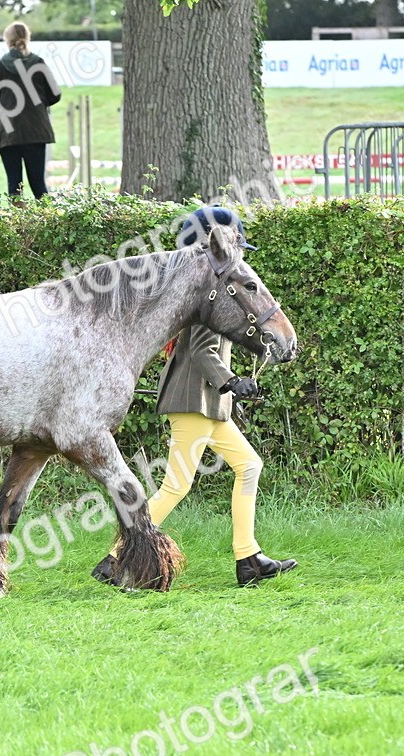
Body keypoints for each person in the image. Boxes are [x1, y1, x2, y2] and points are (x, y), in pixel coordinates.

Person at [146, 206, 298, 587]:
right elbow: (200, 349)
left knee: (249, 466)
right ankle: (116, 556)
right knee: (176, 486)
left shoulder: (212, 292)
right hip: (194, 400)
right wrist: (232, 381)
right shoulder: (207, 298)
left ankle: (248, 559)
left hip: (208, 404)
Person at [0, 22, 61, 200]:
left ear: (7, 41)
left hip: (8, 133)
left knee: (14, 185)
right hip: (35, 131)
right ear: (27, 39)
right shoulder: (39, 64)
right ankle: (48, 222)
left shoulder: (0, 66)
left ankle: (17, 225)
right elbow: (55, 95)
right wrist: (38, 105)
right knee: (38, 184)